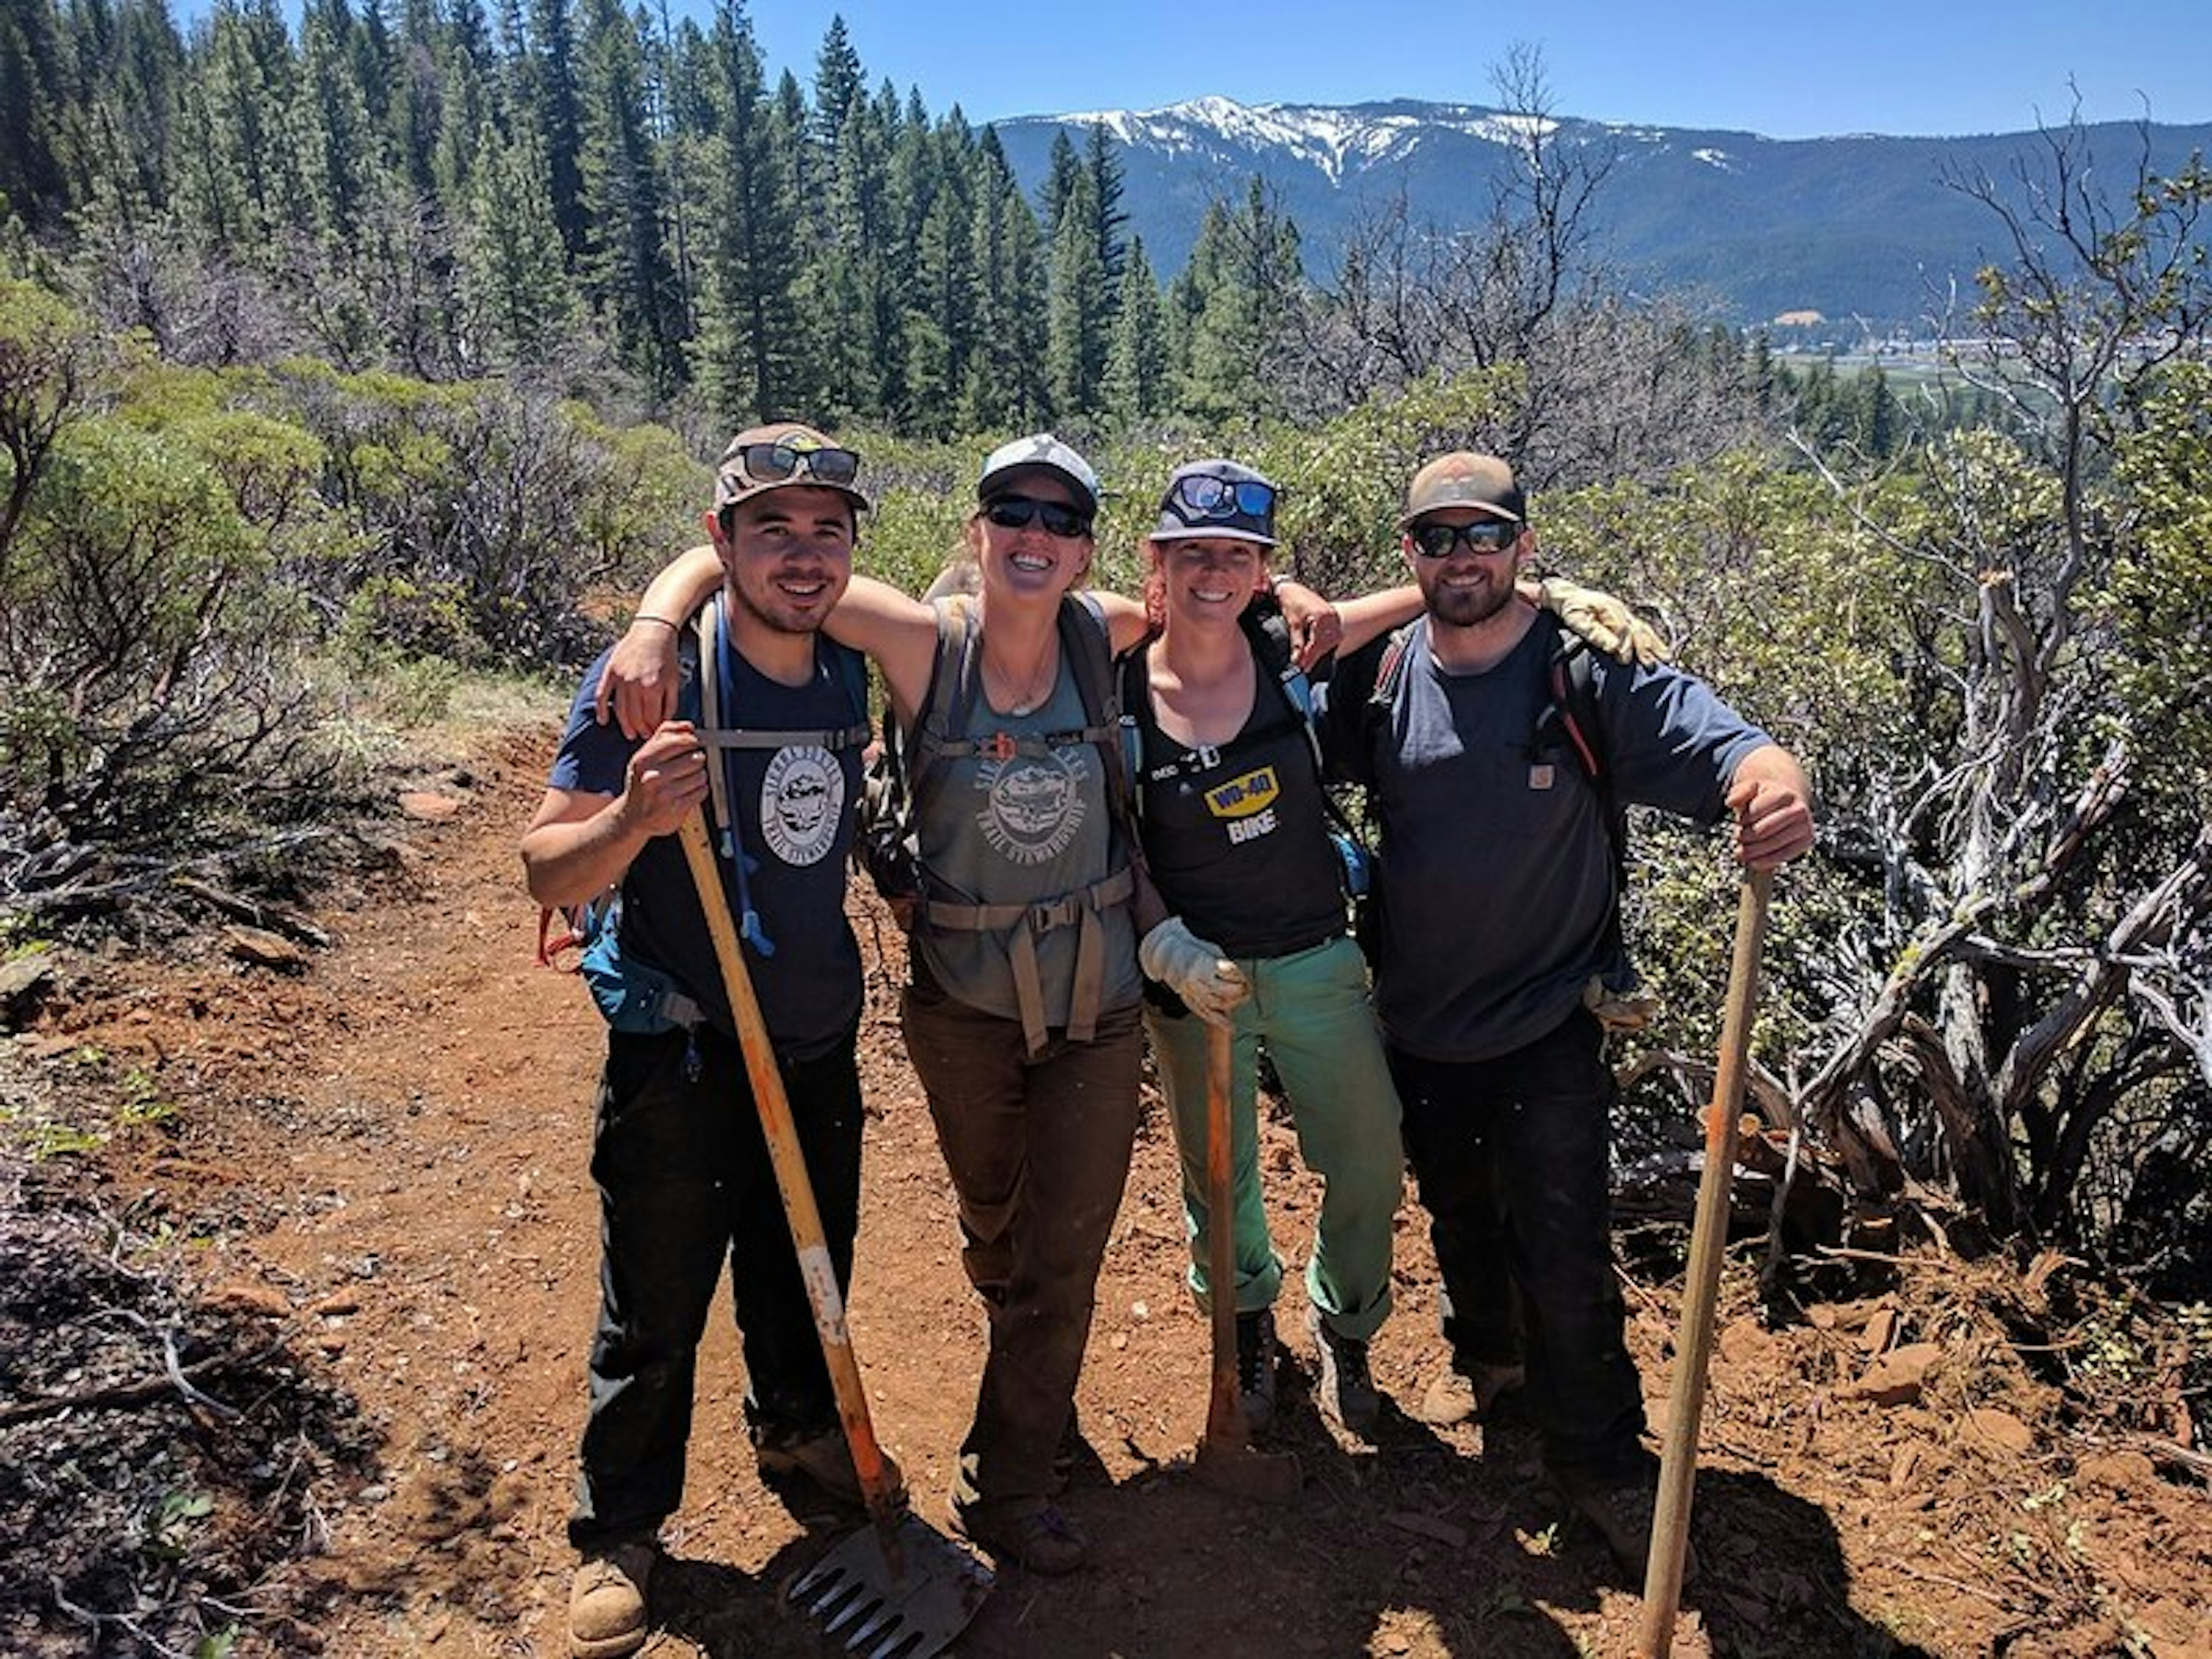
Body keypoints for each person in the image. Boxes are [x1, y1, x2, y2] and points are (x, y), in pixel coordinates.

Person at [607, 434, 1317, 1576]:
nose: (1035, 536)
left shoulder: (1108, 633)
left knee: (1065, 1250)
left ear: (1087, 552)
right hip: (964, 1008)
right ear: (979, 533)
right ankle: (1030, 1389)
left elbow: (1231, 604)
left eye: (1061, 521)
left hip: (1097, 1000)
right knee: (999, 1229)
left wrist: (1508, 587)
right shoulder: (919, 638)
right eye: (1012, 514)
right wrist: (654, 618)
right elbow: (759, 568)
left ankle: (1010, 1480)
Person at [1318, 451, 1815, 1575]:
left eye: (1482, 536)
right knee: (1457, 1213)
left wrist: (1772, 783)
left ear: (1523, 548)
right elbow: (1265, 726)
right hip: (1418, 1019)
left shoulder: (1586, 673)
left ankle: (1602, 1466)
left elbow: (1734, 750)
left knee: (1565, 1247)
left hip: (1550, 1021)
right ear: (1410, 555)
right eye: (1437, 539)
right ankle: (1494, 1372)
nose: (1461, 558)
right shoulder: (1384, 673)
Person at [520, 424, 898, 1659]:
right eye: (771, 530)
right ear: (720, 539)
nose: (802, 556)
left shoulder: (848, 663)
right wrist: (632, 816)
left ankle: (800, 1432)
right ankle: (620, 1530)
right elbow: (545, 866)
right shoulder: (648, 685)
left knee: (808, 1267)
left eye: (826, 531)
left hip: (813, 1037)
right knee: (658, 1303)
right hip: (684, 1048)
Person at [1119, 459, 1408, 1435]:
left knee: (1370, 1155)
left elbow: (1409, 602)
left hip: (1316, 953)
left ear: (1259, 571)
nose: (1213, 573)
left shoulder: (1289, 650)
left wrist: (1536, 586)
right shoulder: (1116, 688)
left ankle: (1348, 1324)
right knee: (1219, 1176)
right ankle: (1243, 1330)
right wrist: (1161, 942)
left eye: (1237, 556)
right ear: (1157, 563)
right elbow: (1111, 836)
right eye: (1192, 553)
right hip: (1196, 979)